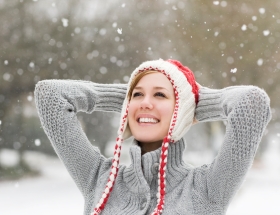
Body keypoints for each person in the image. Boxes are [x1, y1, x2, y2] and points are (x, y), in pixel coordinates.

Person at [35, 59, 271, 215]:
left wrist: (190, 102)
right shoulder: (98, 179)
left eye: (160, 95)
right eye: (137, 95)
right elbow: (50, 96)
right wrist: (128, 98)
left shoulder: (207, 188)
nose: (146, 102)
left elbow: (251, 104)